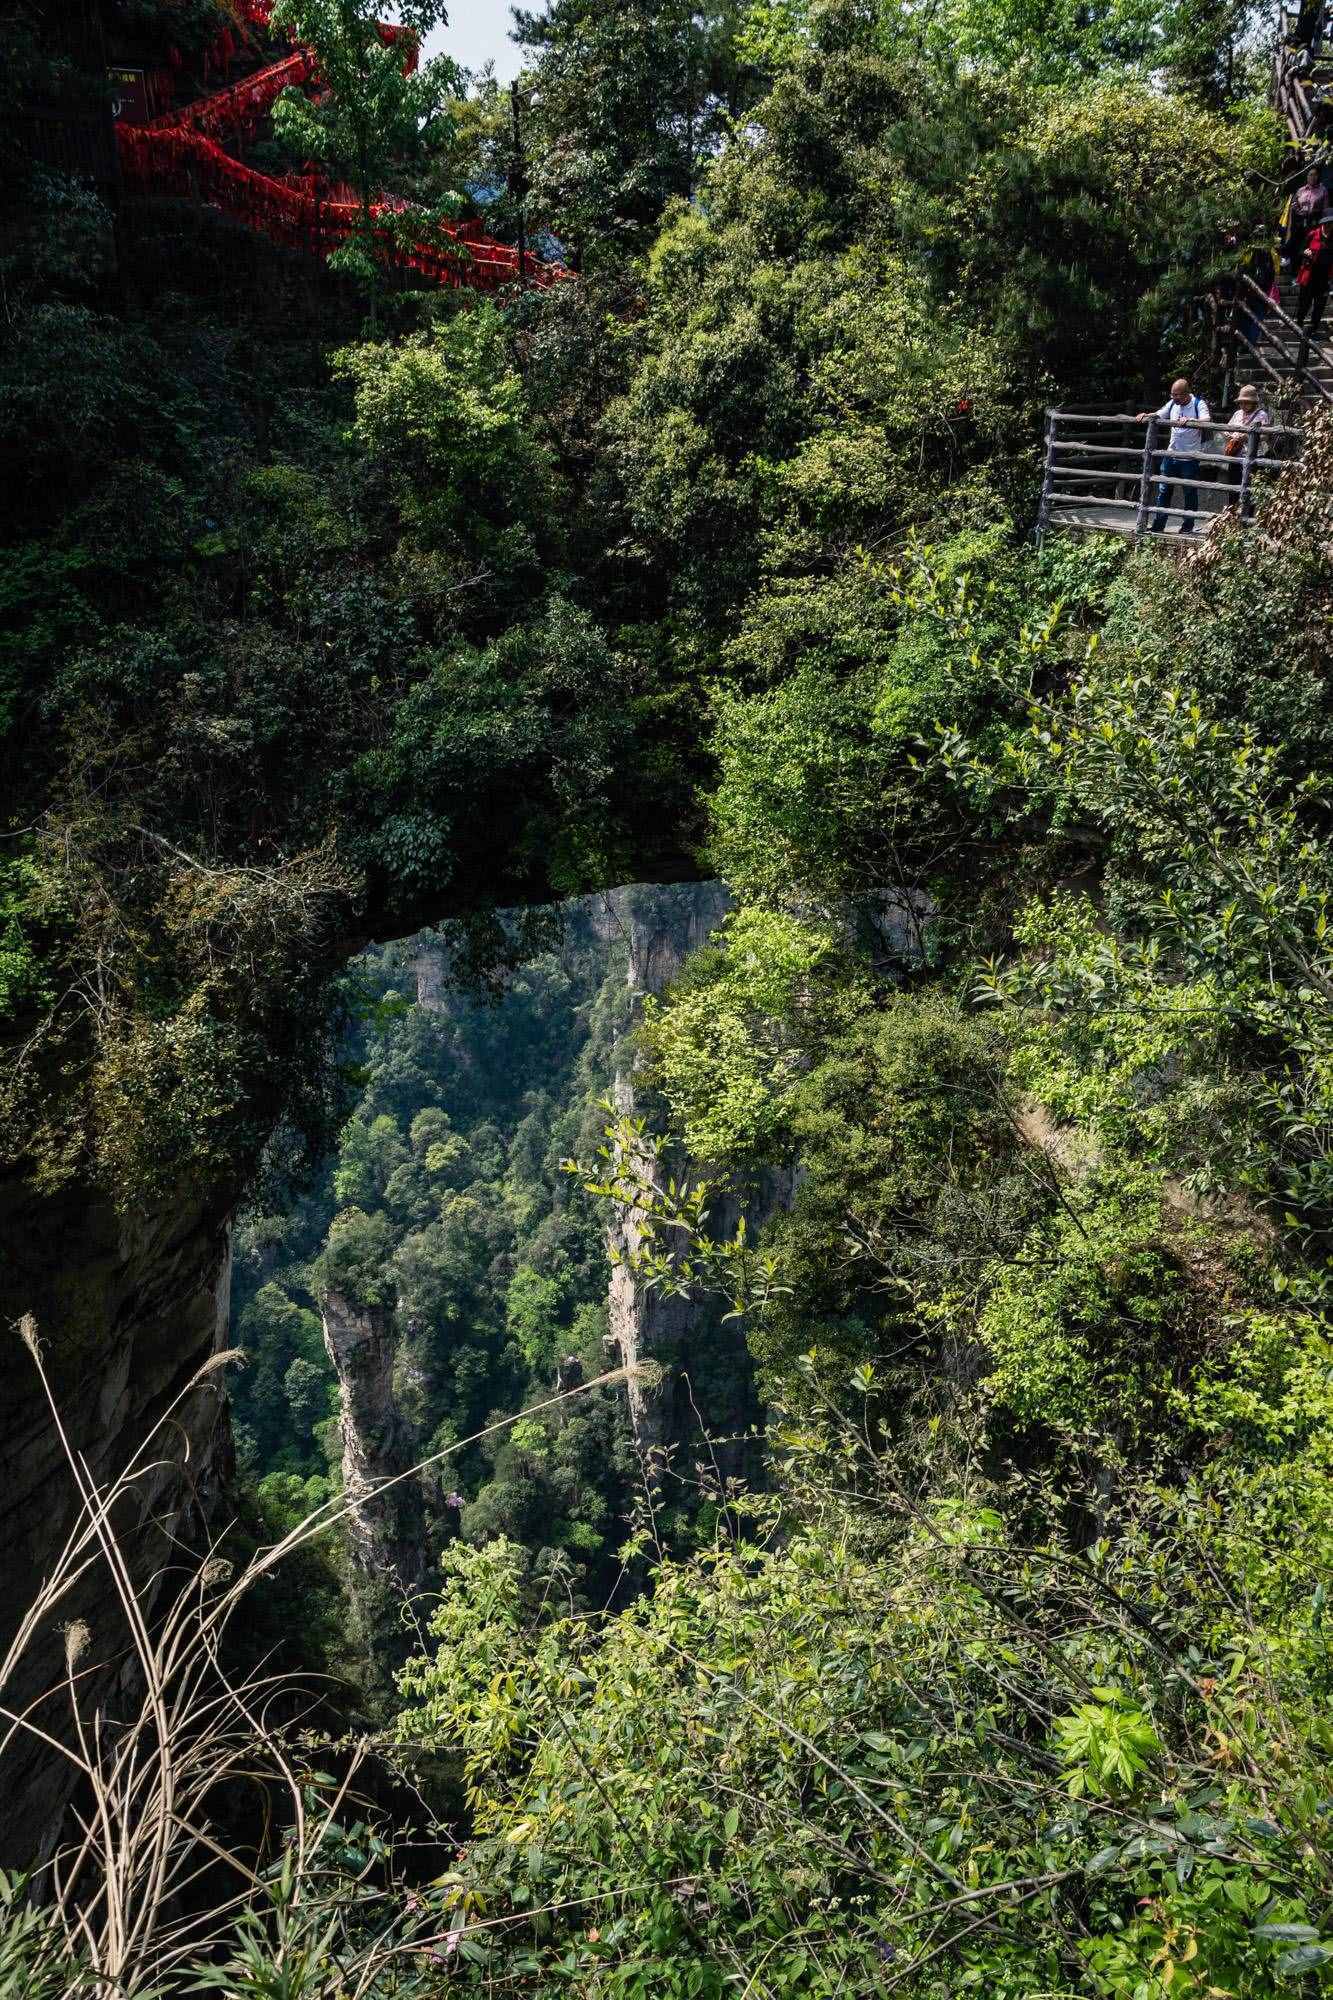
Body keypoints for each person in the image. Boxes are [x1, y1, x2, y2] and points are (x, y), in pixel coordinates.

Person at [1135, 377, 1211, 535]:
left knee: (1189, 492)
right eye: (1172, 395)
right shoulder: (1172, 404)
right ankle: (1159, 525)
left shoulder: (1198, 403)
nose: (1174, 398)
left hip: (1189, 458)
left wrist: (1191, 420)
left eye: (1177, 395)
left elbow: (1206, 419)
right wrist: (1146, 415)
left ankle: (1187, 526)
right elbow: (1159, 414)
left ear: (1186, 394)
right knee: (1164, 491)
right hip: (1171, 455)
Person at [1221, 385, 1270, 514]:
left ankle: (1247, 517)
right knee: (1233, 487)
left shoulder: (1261, 415)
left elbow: (1265, 435)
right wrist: (1228, 434)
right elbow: (1227, 428)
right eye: (1241, 402)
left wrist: (1248, 437)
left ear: (1253, 402)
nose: (1243, 405)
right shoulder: (1237, 414)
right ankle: (1231, 516)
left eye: (1246, 402)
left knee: (1250, 489)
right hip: (1236, 455)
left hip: (1254, 456)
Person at [1296, 215, 1333, 355]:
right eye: (1328, 223)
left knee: (1319, 305)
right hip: (1309, 275)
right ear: (1324, 223)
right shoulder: (1312, 234)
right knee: (1304, 302)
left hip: (1324, 277)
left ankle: (1313, 329)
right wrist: (1305, 253)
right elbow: (1300, 251)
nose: (1330, 226)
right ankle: (1298, 324)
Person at [1285, 166, 1329, 266]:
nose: (1313, 177)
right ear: (1307, 176)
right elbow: (1294, 205)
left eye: (1315, 175)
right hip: (1300, 221)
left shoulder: (1323, 190)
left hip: (1314, 221)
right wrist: (1298, 210)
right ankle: (1294, 272)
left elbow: (1325, 210)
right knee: (1296, 245)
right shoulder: (1301, 190)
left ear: (1318, 176)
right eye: (1310, 174)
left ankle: (1307, 272)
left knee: (1310, 246)